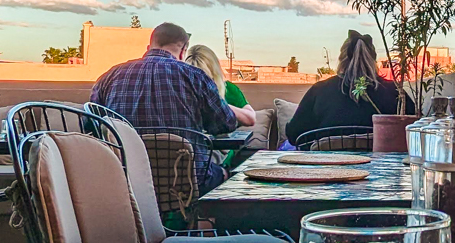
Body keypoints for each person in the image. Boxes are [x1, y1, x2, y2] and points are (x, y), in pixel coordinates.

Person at [90, 22, 258, 194]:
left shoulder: (109, 76)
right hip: (188, 179)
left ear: (149, 46)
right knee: (222, 175)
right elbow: (225, 123)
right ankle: (196, 220)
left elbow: (92, 124)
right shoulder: (195, 77)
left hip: (127, 178)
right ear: (184, 49)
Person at [285, 30, 414, 145]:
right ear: (373, 60)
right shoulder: (394, 92)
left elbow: (294, 134)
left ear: (341, 59)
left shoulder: (319, 90)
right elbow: (415, 130)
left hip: (327, 168)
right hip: (380, 167)